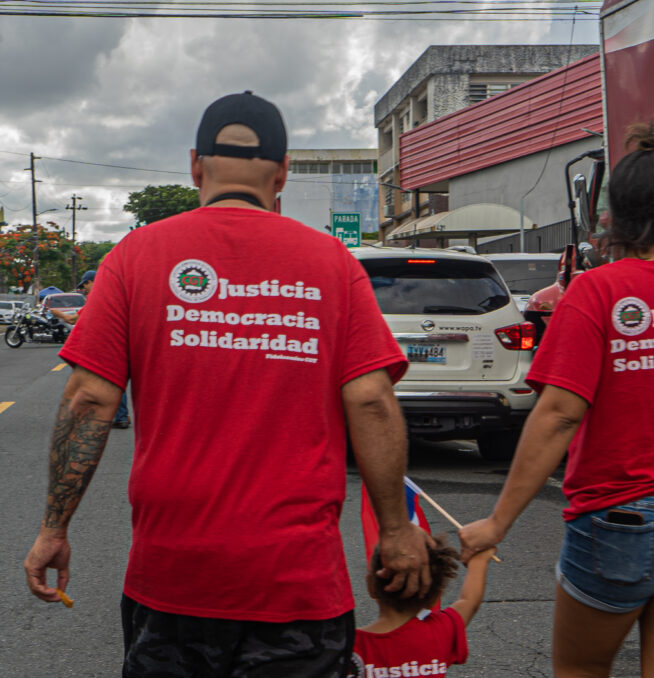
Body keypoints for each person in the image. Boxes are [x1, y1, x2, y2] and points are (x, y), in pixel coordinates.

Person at [23, 91, 434, 677]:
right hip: (297, 586)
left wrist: (53, 528)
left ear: (195, 165)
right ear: (283, 171)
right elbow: (370, 400)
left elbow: (89, 399)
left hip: (172, 578)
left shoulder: (135, 257)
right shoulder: (333, 265)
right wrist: (395, 532)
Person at [458, 110, 654, 678]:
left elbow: (558, 414)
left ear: (614, 214)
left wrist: (497, 523)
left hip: (622, 518)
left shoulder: (596, 292)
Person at [350, 537, 496, 678]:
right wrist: (479, 560)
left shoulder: (350, 645)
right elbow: (469, 600)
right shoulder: (440, 631)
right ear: (434, 597)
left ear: (371, 586)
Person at [48, 270, 132, 428]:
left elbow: (72, 319)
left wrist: (57, 313)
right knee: (113, 381)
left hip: (108, 347)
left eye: (86, 284)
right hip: (118, 345)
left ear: (94, 281)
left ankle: (115, 416)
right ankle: (120, 416)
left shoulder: (99, 299)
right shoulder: (113, 295)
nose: (84, 288)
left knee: (104, 381)